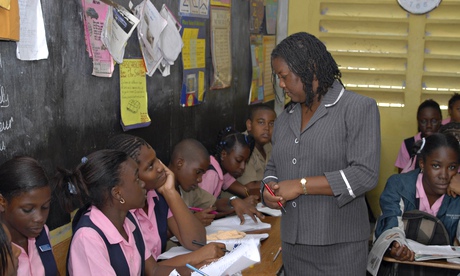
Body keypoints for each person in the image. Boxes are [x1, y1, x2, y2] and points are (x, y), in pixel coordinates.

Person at [262, 32, 380, 275]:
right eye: (278, 78)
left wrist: (301, 185)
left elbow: (365, 174)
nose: (281, 84)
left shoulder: (357, 108)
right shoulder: (286, 118)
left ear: (311, 69)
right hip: (293, 247)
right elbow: (273, 166)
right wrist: (269, 189)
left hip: (338, 249)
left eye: (285, 76)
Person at [53, 149, 191, 275]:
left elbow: (153, 270)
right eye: (136, 179)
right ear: (117, 193)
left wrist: (198, 270)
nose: (143, 184)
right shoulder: (88, 239)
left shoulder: (129, 219)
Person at [106, 134, 225, 266]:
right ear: (130, 175)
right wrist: (198, 256)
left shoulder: (156, 197)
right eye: (150, 166)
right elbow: (145, 271)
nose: (160, 167)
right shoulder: (121, 213)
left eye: (156, 159)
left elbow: (196, 241)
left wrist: (170, 192)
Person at [373, 133, 460, 274]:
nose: (444, 175)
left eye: (452, 167)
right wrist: (397, 245)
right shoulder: (399, 185)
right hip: (399, 270)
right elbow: (390, 223)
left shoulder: (457, 195)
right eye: (436, 166)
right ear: (422, 164)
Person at [168, 139, 264, 226]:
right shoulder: (158, 191)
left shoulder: (188, 189)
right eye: (198, 172)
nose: (200, 179)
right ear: (180, 163)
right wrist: (192, 221)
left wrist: (233, 201)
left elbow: (215, 204)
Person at [0, 156, 58, 276]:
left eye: (45, 207)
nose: (39, 218)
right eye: (28, 209)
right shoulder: (3, 251)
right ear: (2, 202)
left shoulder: (42, 233)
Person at [199, 126, 260, 200]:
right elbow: (203, 208)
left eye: (245, 162)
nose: (243, 167)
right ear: (223, 154)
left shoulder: (223, 171)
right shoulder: (211, 174)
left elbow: (246, 191)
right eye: (238, 160)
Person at [237, 103, 277, 195]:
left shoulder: (268, 145)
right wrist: (281, 182)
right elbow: (250, 187)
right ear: (249, 125)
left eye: (271, 123)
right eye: (261, 122)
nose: (267, 128)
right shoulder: (242, 146)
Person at [395, 99, 442, 173]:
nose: (429, 125)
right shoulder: (408, 144)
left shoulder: (447, 144)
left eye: (434, 121)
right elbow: (402, 178)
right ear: (418, 122)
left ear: (440, 121)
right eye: (423, 121)